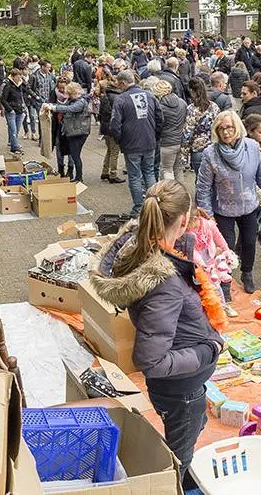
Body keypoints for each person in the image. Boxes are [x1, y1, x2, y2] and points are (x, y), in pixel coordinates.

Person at [92, 181, 223, 491]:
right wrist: (208, 350)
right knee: (177, 457)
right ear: (182, 219)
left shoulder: (150, 247)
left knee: (192, 426)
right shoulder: (164, 283)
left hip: (182, 382)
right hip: (180, 386)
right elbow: (152, 361)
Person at [194, 110, 261, 291]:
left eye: (229, 128)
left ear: (237, 128)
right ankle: (225, 281)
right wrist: (207, 214)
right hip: (223, 209)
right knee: (226, 247)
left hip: (249, 206)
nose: (226, 133)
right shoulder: (210, 154)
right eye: (221, 129)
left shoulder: (252, 147)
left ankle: (247, 273)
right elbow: (203, 187)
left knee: (249, 243)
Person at [108, 70, 163, 213]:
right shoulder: (150, 96)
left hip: (131, 144)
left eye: (119, 84)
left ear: (123, 83)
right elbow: (160, 119)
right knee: (149, 172)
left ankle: (139, 207)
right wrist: (155, 136)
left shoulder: (121, 99)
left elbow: (115, 125)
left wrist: (120, 140)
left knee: (134, 176)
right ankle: (153, 205)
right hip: (149, 141)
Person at [50, 81, 92, 183]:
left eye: (69, 93)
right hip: (75, 131)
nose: (67, 95)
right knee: (74, 155)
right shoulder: (75, 100)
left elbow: (70, 109)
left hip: (78, 132)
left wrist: (53, 107)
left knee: (75, 155)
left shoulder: (80, 102)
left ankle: (79, 178)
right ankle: (78, 177)